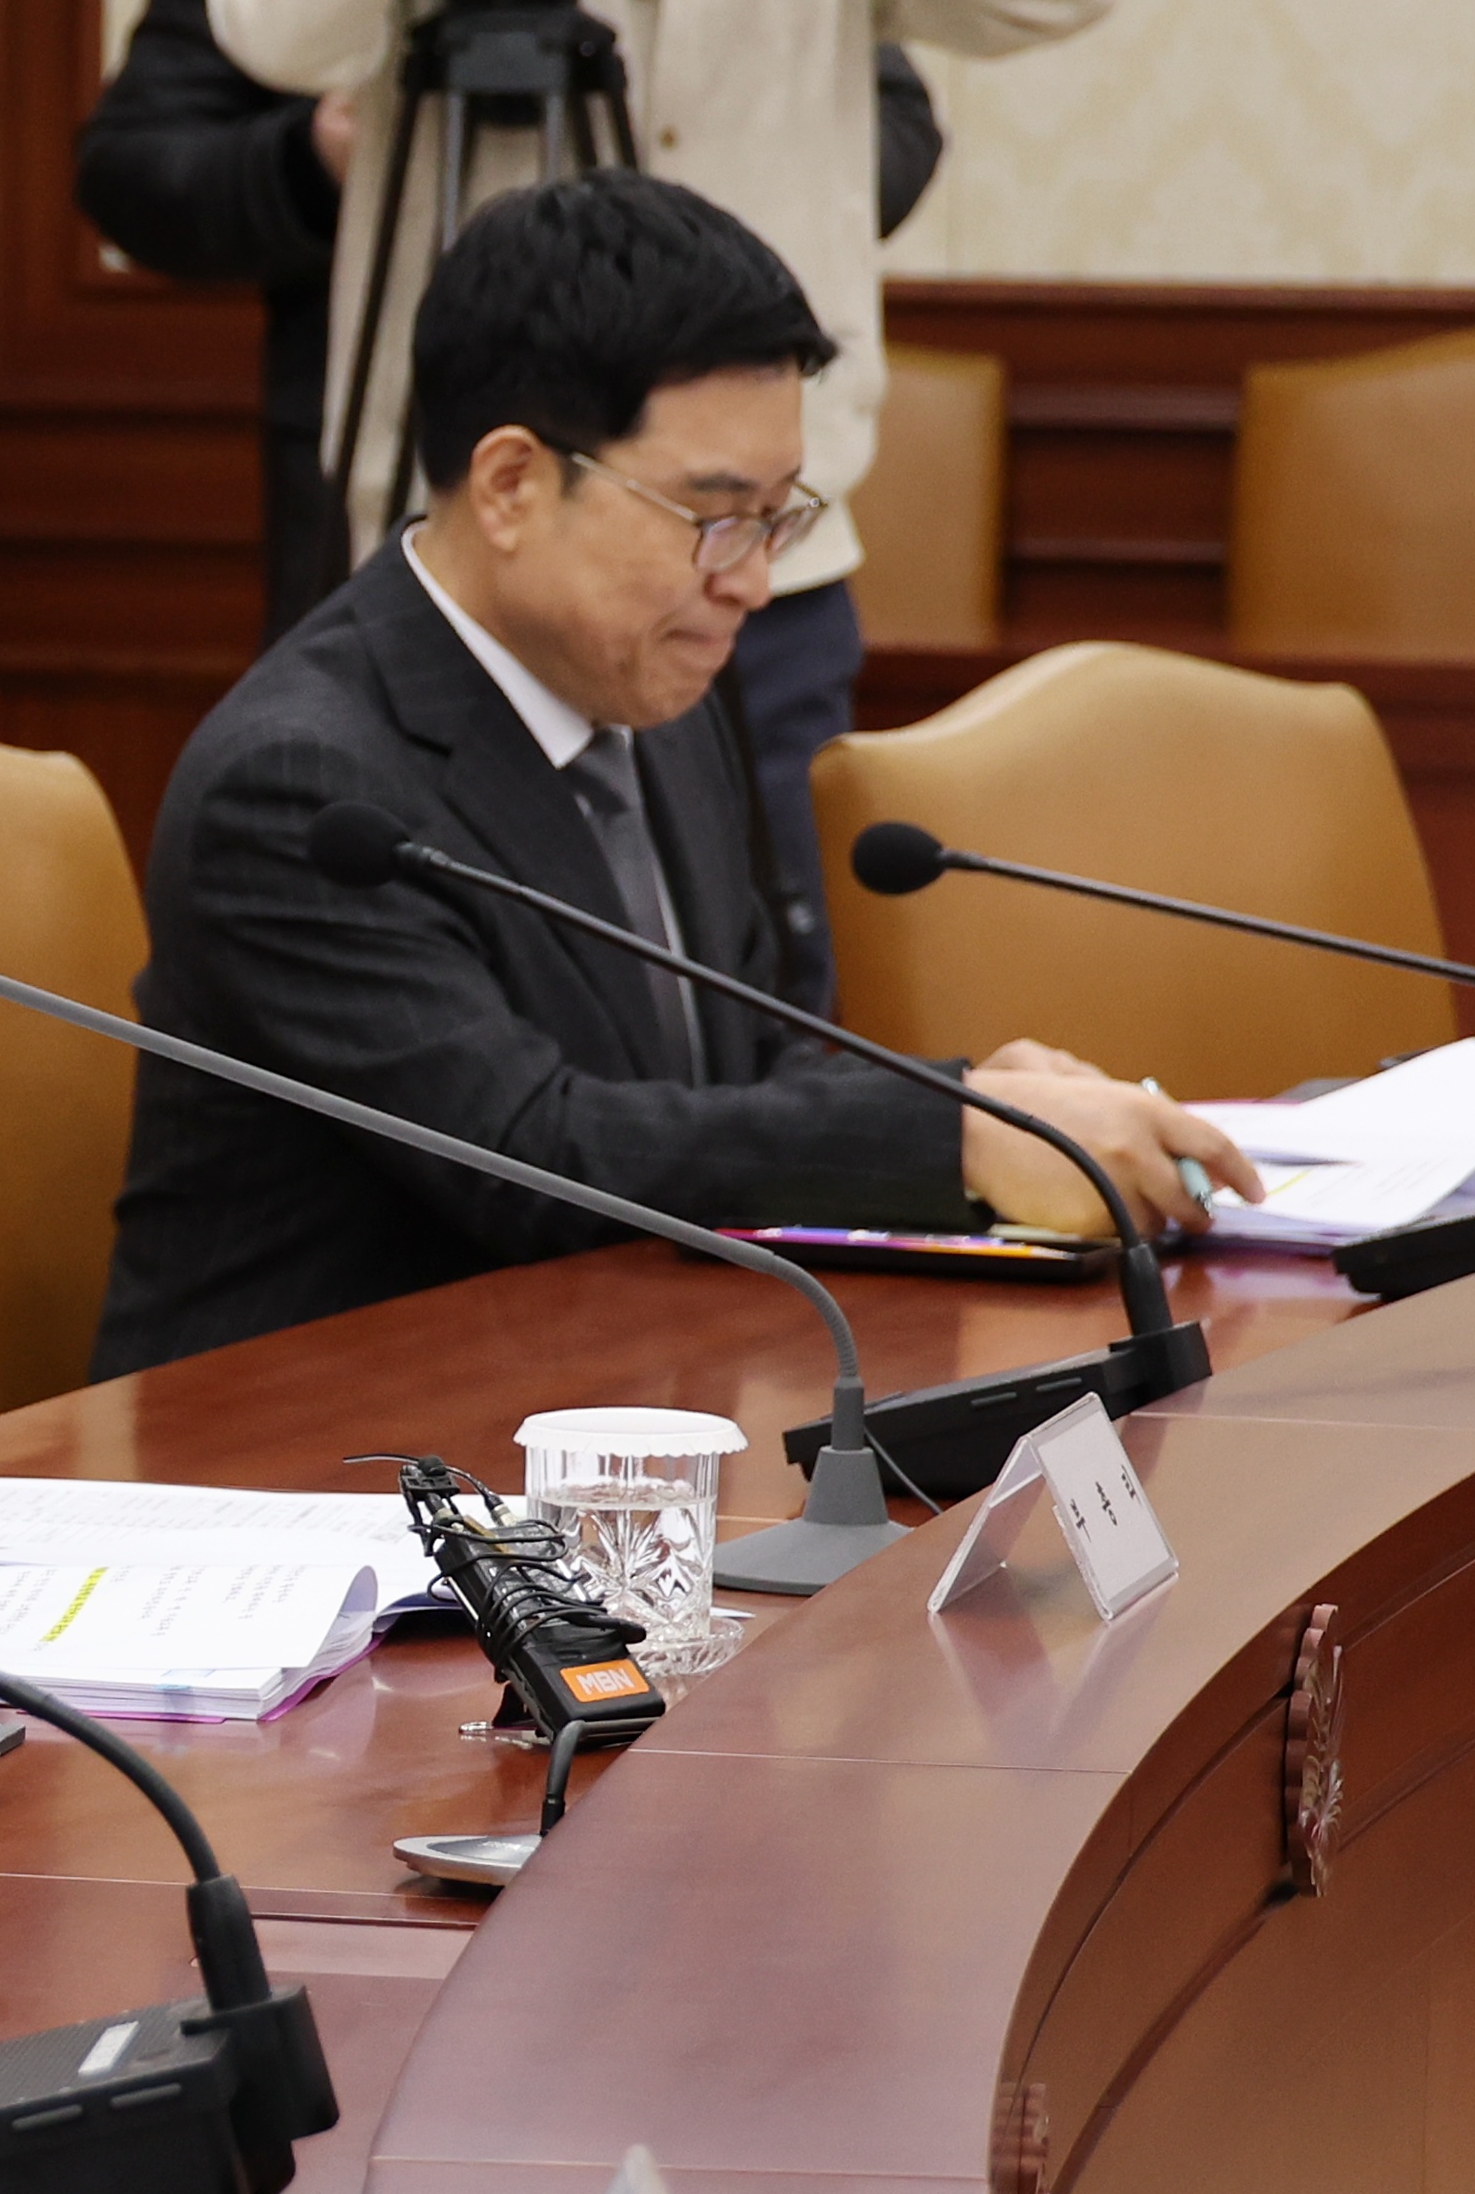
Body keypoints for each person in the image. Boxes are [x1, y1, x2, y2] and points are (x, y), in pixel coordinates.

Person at [93, 171, 1246, 1376]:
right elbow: (533, 1153)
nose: (749, 578)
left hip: (608, 1406)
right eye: (713, 514)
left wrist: (978, 1106)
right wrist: (945, 1134)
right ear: (511, 485)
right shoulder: (302, 789)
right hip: (300, 1464)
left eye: (775, 514)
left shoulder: (655, 693)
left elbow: (730, 1068)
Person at [205, 0, 1125, 975]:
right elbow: (270, 27)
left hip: (758, 557)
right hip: (492, 557)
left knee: (755, 1007)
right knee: (508, 1005)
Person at [76, 0, 948, 659]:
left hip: (728, 537)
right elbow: (136, 168)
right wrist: (313, 164)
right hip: (410, 498)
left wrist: (711, 227)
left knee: (727, 790)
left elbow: (901, 127)